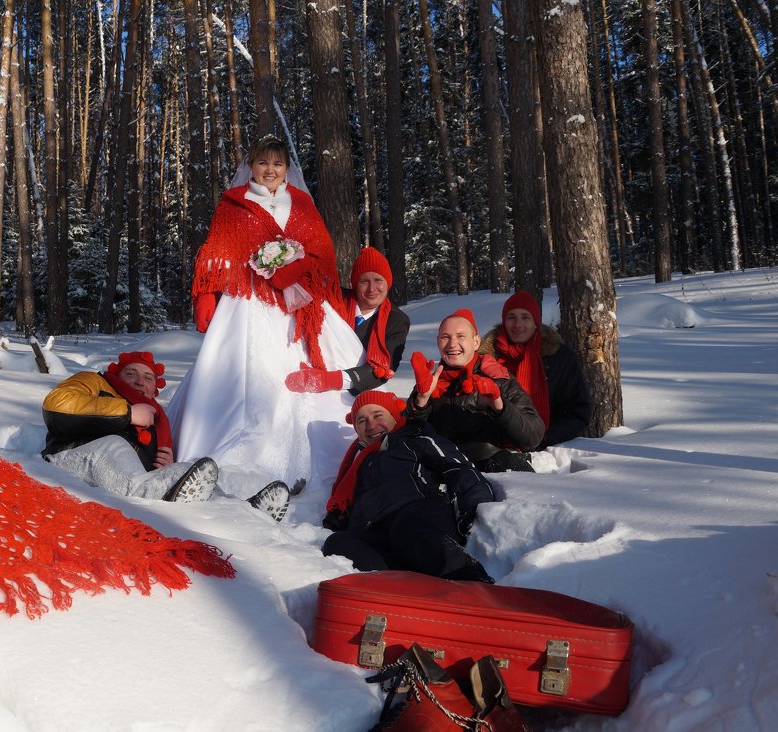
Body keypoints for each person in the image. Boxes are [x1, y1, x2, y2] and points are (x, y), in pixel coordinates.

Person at [169, 135, 365, 488]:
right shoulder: (234, 203)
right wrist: (207, 296)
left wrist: (295, 267)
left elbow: (321, 253)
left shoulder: (303, 204)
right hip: (248, 303)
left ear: (286, 168)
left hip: (299, 304)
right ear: (252, 167)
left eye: (277, 164)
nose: (270, 170)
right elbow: (219, 253)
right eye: (263, 163)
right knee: (250, 375)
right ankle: (227, 460)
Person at [41, 350, 291, 520]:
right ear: (116, 375)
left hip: (119, 479)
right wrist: (126, 413)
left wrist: (167, 470)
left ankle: (243, 514)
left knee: (189, 470)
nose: (140, 381)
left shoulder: (157, 422)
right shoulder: (95, 382)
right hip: (70, 459)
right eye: (131, 373)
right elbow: (57, 404)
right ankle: (156, 495)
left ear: (154, 388)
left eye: (147, 377)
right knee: (114, 446)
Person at [320, 390, 495, 582]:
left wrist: (473, 509)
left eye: (378, 415)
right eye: (361, 421)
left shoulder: (416, 439)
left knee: (407, 529)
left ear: (395, 417)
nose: (370, 425)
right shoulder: (359, 465)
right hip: (374, 528)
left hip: (418, 510)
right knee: (337, 543)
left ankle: (468, 581)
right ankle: (397, 593)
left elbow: (459, 468)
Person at [408, 310, 545, 473]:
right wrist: (421, 400)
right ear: (438, 342)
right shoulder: (430, 383)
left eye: (460, 336)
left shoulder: (498, 378)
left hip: (492, 468)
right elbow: (412, 437)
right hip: (444, 468)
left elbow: (533, 437)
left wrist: (500, 408)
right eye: (445, 337)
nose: (452, 344)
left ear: (476, 342)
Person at [284, 245, 411, 396]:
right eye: (364, 281)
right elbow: (305, 292)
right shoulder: (336, 299)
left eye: (378, 280)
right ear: (355, 283)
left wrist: (327, 380)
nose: (372, 289)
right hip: (309, 374)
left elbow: (384, 369)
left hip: (359, 395)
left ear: (388, 283)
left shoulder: (396, 320)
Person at [479, 290, 592, 448]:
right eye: (512, 317)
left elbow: (578, 411)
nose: (518, 325)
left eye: (525, 317)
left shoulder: (559, 357)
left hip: (548, 447)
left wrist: (545, 437)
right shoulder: (486, 358)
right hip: (494, 446)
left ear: (536, 322)